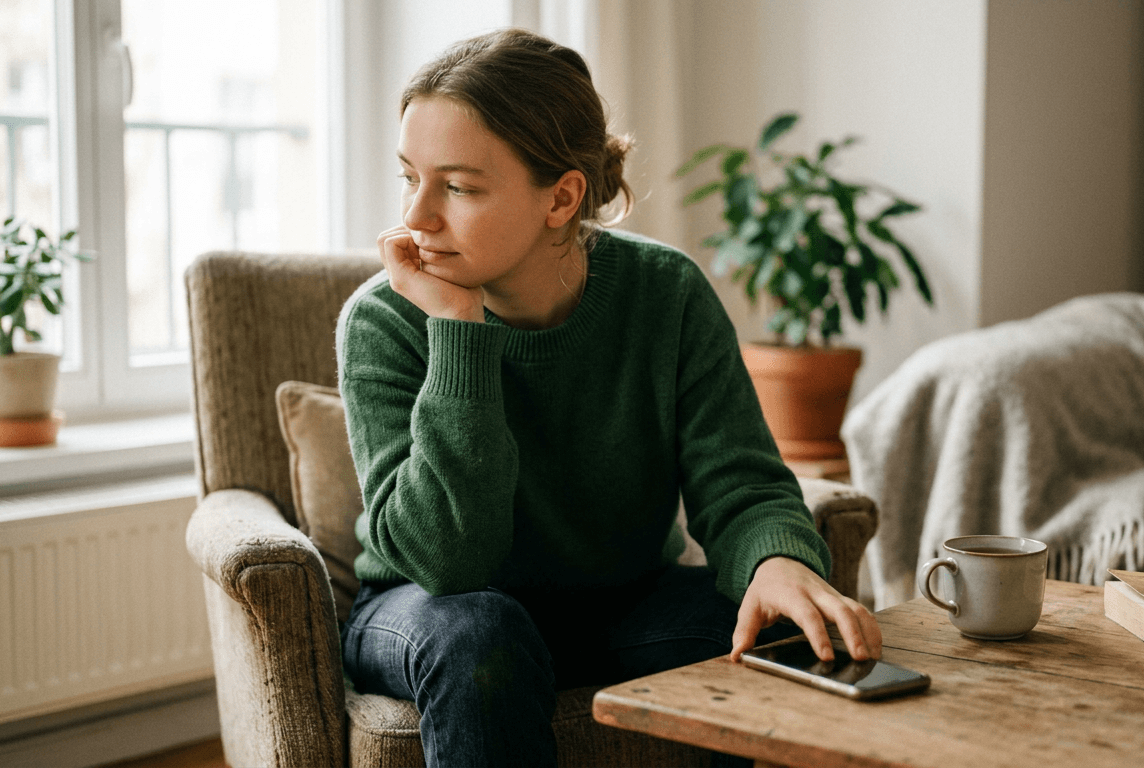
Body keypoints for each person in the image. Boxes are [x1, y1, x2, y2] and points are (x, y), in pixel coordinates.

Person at [336, 28, 882, 767]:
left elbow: (741, 482)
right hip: (427, 608)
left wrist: (774, 562)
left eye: (458, 186)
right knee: (482, 638)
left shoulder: (666, 293)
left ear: (561, 197)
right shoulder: (384, 319)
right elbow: (447, 561)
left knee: (772, 626)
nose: (419, 217)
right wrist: (460, 331)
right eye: (411, 178)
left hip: (617, 603)